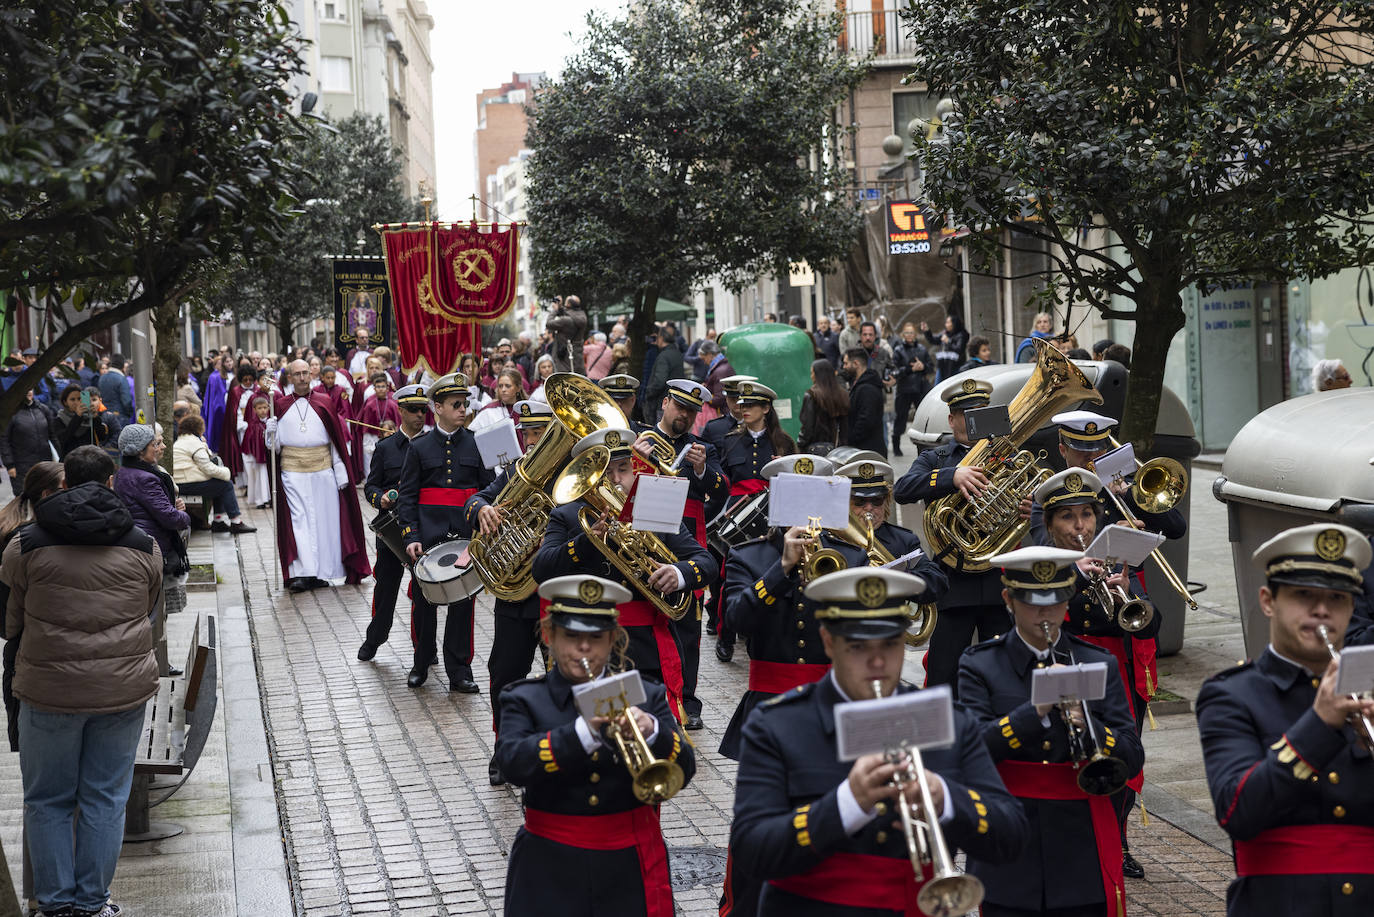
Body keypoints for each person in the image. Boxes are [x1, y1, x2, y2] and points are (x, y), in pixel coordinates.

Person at [729, 567, 1028, 917]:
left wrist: (945, 797)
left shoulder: (948, 720)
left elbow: (1011, 834)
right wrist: (845, 804)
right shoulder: (779, 723)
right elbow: (751, 850)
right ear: (828, 641)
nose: (877, 662)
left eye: (890, 644)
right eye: (857, 646)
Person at [2, 445, 162, 917]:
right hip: (121, 690)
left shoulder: (25, 544)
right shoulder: (142, 544)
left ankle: (54, 907)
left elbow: (10, 621)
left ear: (65, 482)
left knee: (47, 799)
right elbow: (147, 609)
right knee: (105, 797)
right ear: (112, 481)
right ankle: (92, 904)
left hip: (48, 690)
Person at [1197, 524, 1374, 916]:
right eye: (1304, 595)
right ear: (1268, 601)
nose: (1322, 610)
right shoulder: (1231, 695)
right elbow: (1238, 813)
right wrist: (1320, 723)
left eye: (1337, 599)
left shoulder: (1369, 692)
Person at [957, 546, 1144, 917]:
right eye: (1032, 602)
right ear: (1008, 599)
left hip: (1082, 839)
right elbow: (971, 749)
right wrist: (1035, 711)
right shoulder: (980, 664)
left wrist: (1090, 724)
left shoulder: (1097, 661)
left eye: (1056, 601)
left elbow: (1132, 755)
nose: (1046, 613)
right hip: (1009, 835)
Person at [495, 574, 695, 917]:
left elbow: (686, 766)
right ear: (549, 636)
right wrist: (581, 734)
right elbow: (511, 762)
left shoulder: (646, 694)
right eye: (571, 636)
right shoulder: (524, 698)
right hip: (549, 865)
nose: (584, 648)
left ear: (613, 640)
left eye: (596, 638)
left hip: (629, 864)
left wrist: (652, 731)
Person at [533, 428, 715, 719]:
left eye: (623, 469)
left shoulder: (655, 507)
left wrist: (678, 573)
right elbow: (542, 568)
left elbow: (705, 561)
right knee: (601, 739)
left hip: (647, 648)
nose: (617, 480)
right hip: (589, 646)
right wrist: (586, 542)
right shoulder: (567, 514)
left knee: (653, 734)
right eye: (607, 471)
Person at [1033, 467, 1158, 878]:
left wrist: (1127, 588)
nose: (1080, 526)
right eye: (1068, 517)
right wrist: (1074, 577)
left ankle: (1117, 839)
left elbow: (1150, 623)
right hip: (1062, 668)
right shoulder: (1039, 564)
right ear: (1049, 523)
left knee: (1122, 755)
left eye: (1086, 514)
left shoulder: (1115, 554)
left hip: (1115, 672)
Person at [893, 380, 1016, 686]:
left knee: (1002, 674)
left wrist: (1026, 508)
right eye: (964, 414)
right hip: (954, 581)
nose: (972, 420)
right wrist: (952, 475)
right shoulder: (936, 459)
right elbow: (902, 490)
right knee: (942, 674)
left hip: (996, 579)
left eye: (979, 412)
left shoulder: (1006, 458)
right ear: (951, 419)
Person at [630, 379, 729, 731]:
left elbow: (721, 490)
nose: (684, 416)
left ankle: (687, 698)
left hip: (685, 541)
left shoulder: (702, 448)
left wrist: (703, 469)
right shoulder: (639, 438)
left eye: (691, 412)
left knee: (687, 623)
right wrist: (634, 456)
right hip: (642, 534)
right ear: (666, 404)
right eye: (680, 408)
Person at [468, 399, 556, 785]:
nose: (534, 441)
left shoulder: (579, 474)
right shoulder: (514, 475)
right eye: (529, 434)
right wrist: (481, 510)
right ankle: (504, 748)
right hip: (517, 597)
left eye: (541, 433)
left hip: (557, 595)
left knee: (564, 675)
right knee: (504, 674)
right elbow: (476, 499)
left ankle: (558, 750)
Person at [396, 373, 495, 691]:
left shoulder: (478, 443)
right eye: (455, 404)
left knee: (463, 605)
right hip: (427, 538)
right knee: (423, 606)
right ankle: (421, 662)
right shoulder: (420, 447)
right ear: (436, 407)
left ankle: (460, 670)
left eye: (465, 404)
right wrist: (411, 536)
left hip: (466, 537)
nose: (463, 409)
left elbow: (489, 490)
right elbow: (408, 497)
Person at [266, 359, 370, 593]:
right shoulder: (279, 406)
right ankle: (303, 573)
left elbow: (335, 441)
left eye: (306, 373)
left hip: (323, 472)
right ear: (290, 377)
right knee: (299, 522)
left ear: (311, 375)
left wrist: (341, 470)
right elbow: (275, 449)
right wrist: (270, 433)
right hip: (292, 473)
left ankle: (323, 573)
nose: (302, 377)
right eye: (297, 374)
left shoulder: (325, 402)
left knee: (325, 523)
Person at [1028, 410, 1187, 546]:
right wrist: (1110, 540)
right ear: (1063, 450)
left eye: (1098, 449)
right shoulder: (1047, 496)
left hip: (1129, 579)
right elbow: (1047, 550)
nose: (1091, 456)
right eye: (1081, 450)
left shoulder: (1126, 488)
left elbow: (1176, 529)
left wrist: (1128, 493)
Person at [358, 384, 430, 666]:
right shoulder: (385, 448)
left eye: (423, 410)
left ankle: (423, 648)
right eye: (413, 410)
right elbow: (370, 486)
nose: (419, 416)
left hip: (421, 529)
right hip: (391, 529)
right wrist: (381, 499)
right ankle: (375, 637)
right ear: (399, 410)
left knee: (424, 591)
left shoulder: (431, 444)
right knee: (385, 588)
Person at [115, 424, 192, 678]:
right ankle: (153, 665)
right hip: (152, 549)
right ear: (140, 451)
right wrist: (183, 514)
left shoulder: (129, 472)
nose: (161, 448)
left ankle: (156, 662)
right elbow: (168, 517)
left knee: (155, 611)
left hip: (146, 545)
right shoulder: (145, 477)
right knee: (155, 613)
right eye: (155, 444)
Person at [0, 461, 64, 754]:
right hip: (29, 647)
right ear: (47, 493)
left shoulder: (11, 523)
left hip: (17, 643)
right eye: (66, 488)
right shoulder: (26, 539)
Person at [172, 414, 255, 535]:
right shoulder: (193, 442)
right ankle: (236, 522)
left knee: (218, 483)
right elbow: (208, 468)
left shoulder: (182, 441)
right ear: (198, 428)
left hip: (181, 483)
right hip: (188, 484)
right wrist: (226, 472)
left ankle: (219, 521)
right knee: (226, 485)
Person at [1, 388, 55, 496]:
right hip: (21, 466)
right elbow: (4, 439)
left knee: (45, 497)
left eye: (30, 389)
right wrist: (10, 465)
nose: (28, 392)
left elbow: (53, 436)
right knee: (23, 499)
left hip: (44, 463)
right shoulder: (11, 413)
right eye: (24, 390)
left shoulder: (43, 409)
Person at [890, 322, 930, 456]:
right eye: (906, 332)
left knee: (924, 418)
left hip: (920, 388)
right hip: (904, 389)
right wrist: (910, 369)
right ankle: (896, 444)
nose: (909, 335)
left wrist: (923, 366)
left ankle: (926, 445)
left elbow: (931, 366)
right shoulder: (898, 350)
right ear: (903, 334)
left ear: (915, 334)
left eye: (911, 332)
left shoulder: (922, 349)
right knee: (901, 418)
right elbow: (894, 370)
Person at [841, 347, 887, 457]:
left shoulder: (867, 389)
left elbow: (866, 421)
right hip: (862, 451)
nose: (844, 367)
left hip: (868, 454)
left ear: (856, 363)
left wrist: (850, 440)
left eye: (846, 363)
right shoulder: (859, 385)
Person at [797, 359, 848, 455]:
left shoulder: (812, 395)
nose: (811, 376)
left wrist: (800, 444)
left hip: (815, 450)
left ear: (818, 375)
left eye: (812, 373)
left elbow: (807, 427)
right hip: (839, 450)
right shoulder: (843, 395)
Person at [643, 325, 685, 425]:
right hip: (675, 400)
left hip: (662, 403)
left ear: (661, 338)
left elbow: (659, 382)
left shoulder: (663, 356)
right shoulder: (677, 353)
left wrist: (648, 393)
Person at [239, 392, 273, 508]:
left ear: (269, 407)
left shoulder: (271, 422)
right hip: (257, 456)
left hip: (268, 455)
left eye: (265, 407)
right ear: (254, 409)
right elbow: (249, 440)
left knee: (269, 477)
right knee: (259, 477)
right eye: (259, 408)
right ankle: (260, 500)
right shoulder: (253, 424)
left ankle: (269, 498)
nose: (263, 411)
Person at [547, 295, 588, 373]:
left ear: (568, 305)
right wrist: (560, 306)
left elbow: (549, 323)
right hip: (576, 355)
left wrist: (555, 310)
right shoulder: (582, 316)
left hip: (564, 357)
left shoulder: (565, 321)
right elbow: (568, 313)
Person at [923, 314, 969, 382]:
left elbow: (959, 349)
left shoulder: (961, 335)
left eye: (948, 322)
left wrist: (948, 342)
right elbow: (933, 340)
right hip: (943, 365)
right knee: (938, 386)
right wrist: (927, 331)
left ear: (954, 323)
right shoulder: (945, 333)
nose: (946, 324)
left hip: (955, 366)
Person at [97, 354, 135, 422]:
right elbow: (126, 401)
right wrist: (130, 413)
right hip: (120, 417)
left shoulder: (102, 378)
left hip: (104, 415)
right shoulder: (122, 379)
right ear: (122, 366)